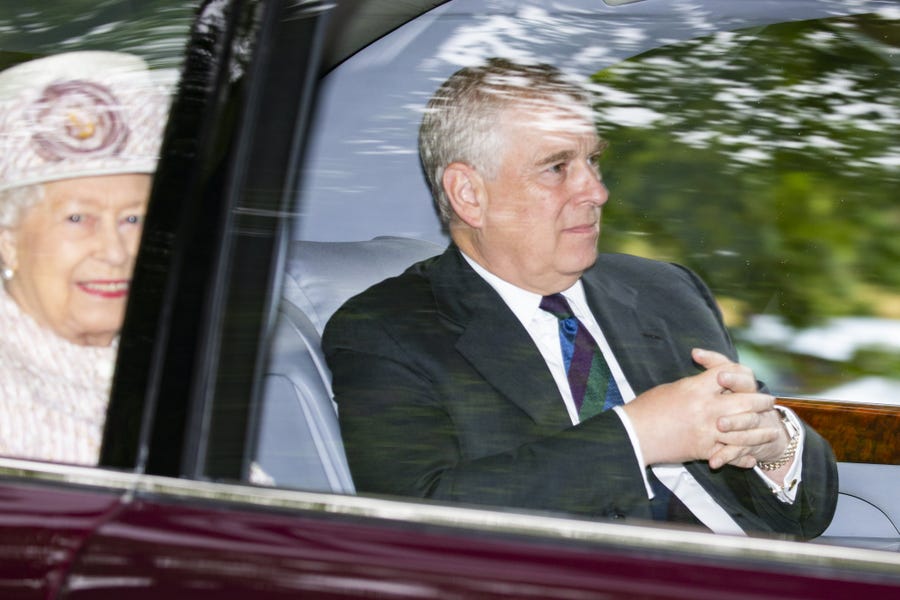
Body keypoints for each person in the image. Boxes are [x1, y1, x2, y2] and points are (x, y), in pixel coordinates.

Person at [322, 58, 837, 537]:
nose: (596, 191)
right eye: (557, 167)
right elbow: (419, 520)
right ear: (469, 194)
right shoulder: (389, 330)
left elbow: (806, 516)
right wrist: (637, 436)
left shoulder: (665, 290)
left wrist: (775, 444)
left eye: (592, 160)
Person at [0, 51, 170, 464]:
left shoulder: (168, 350)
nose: (115, 252)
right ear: (7, 241)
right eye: (78, 218)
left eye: (133, 218)